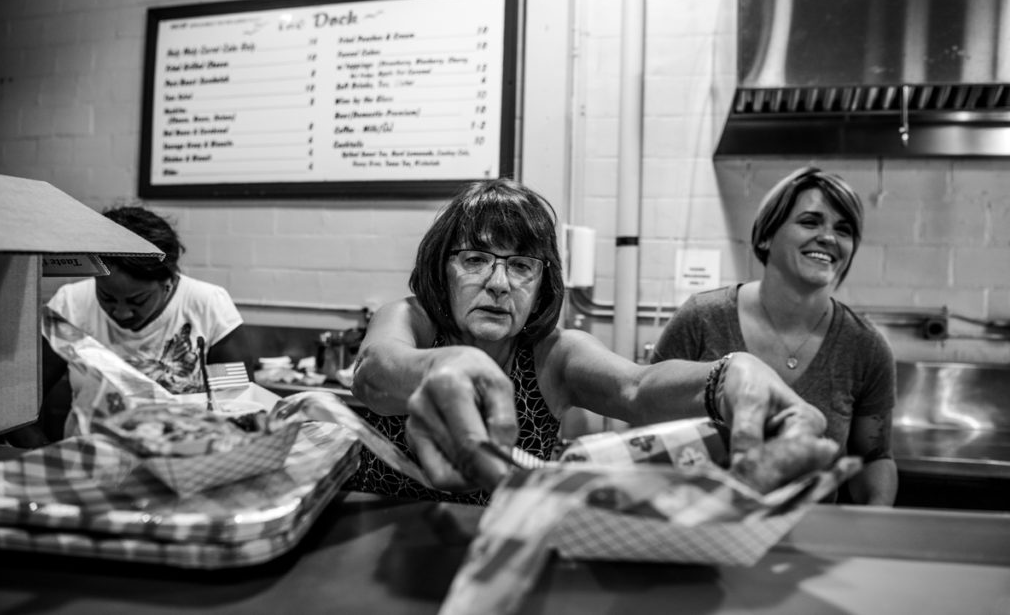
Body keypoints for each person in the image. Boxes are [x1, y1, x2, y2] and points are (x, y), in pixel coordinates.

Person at [350, 177, 834, 503]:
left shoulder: (554, 354)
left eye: (521, 266)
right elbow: (374, 371)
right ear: (442, 267)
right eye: (475, 259)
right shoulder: (412, 320)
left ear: (543, 285)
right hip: (365, 545)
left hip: (493, 554)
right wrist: (439, 368)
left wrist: (729, 374)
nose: (499, 283)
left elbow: (638, 389)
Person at [651, 166, 898, 506]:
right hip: (699, 524)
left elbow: (873, 459)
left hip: (811, 538)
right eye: (810, 222)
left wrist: (875, 526)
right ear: (766, 235)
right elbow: (644, 424)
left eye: (843, 230)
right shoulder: (701, 319)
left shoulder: (865, 346)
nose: (828, 237)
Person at [19, 205, 253, 445]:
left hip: (182, 456)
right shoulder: (71, 304)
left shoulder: (207, 305)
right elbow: (20, 408)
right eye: (107, 297)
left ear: (169, 281)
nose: (121, 312)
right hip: (91, 458)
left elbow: (237, 406)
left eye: (137, 300)